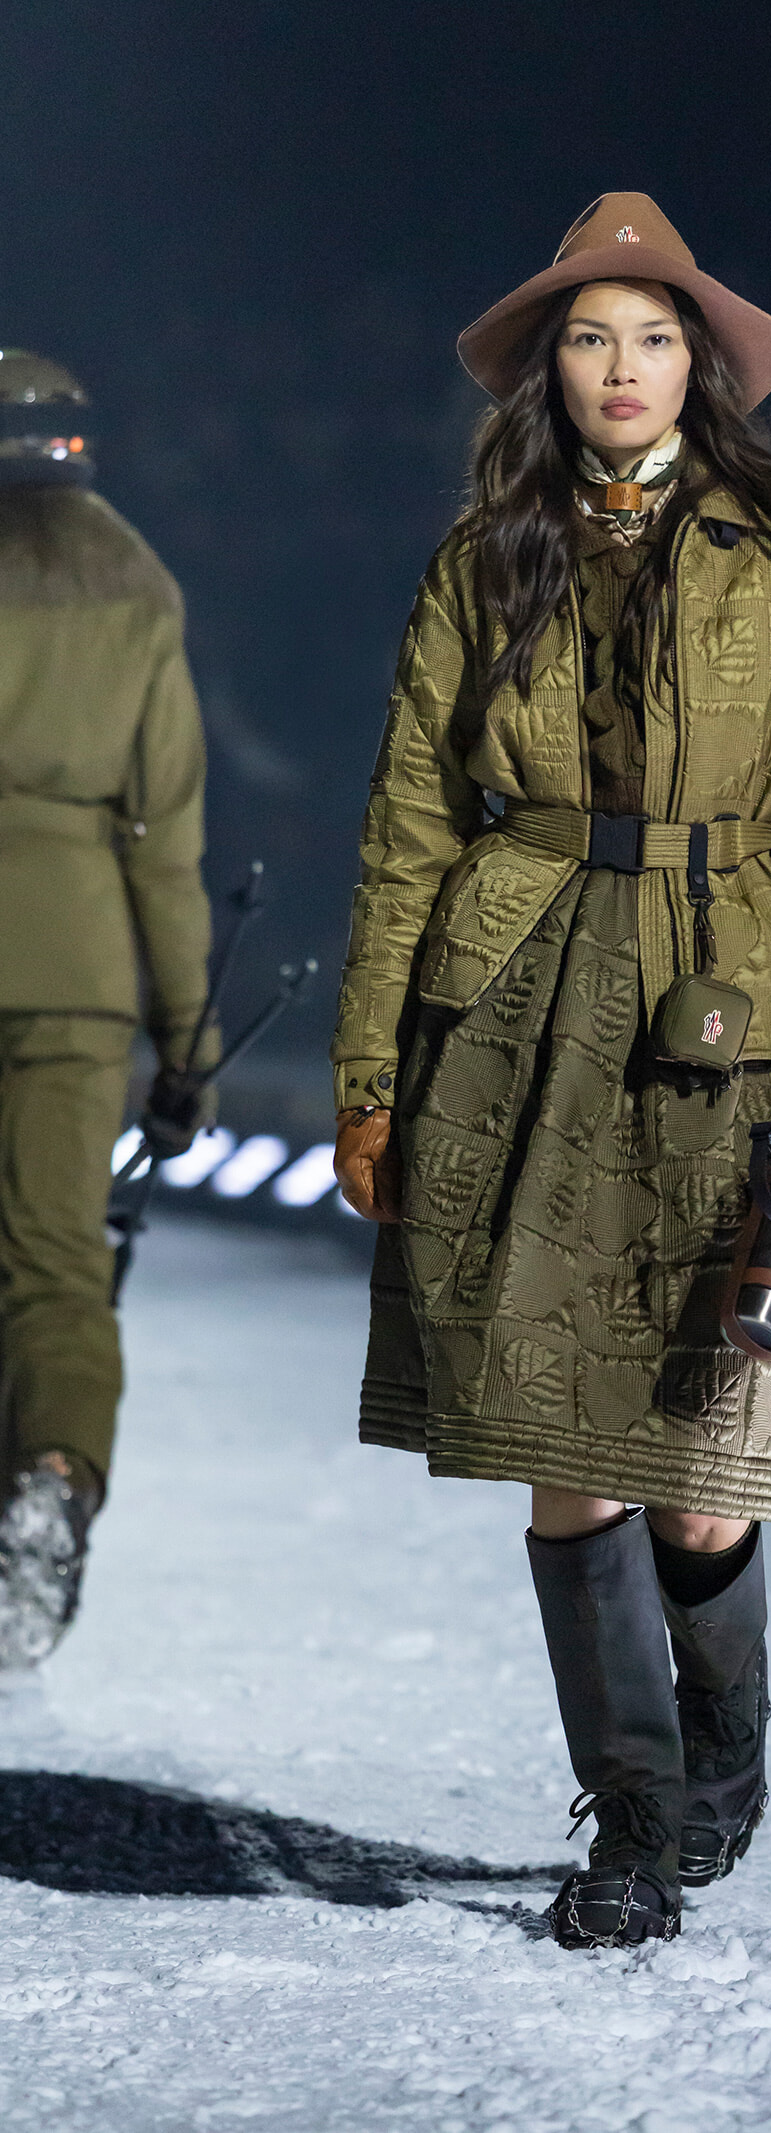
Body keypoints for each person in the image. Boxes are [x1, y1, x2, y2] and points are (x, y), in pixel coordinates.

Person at [331, 195, 771, 1948]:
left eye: (652, 336)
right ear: (549, 367)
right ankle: (638, 1820)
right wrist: (374, 1069)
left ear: (700, 365)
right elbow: (410, 826)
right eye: (589, 336)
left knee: (700, 1453)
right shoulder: (481, 557)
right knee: (560, 1444)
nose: (620, 367)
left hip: (728, 1013)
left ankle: (723, 1754)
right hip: (522, 1021)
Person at [0, 348, 215, 1668]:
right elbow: (166, 843)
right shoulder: (138, 584)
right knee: (57, 1261)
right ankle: (56, 1478)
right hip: (77, 963)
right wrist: (184, 1044)